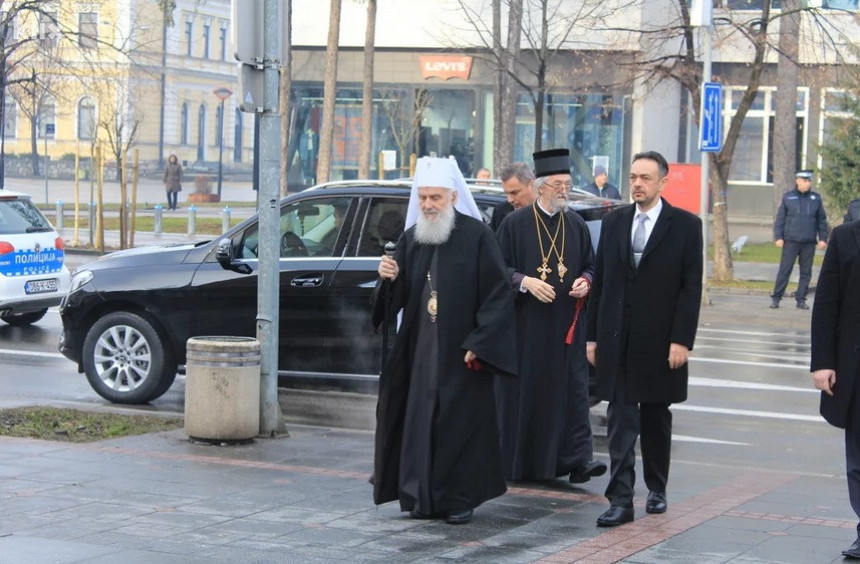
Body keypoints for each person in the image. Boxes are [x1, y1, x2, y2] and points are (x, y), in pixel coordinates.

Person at [372, 156, 518, 525]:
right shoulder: (413, 237)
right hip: (420, 348)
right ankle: (419, 496)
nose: (427, 205)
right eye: (422, 198)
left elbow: (498, 293)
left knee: (458, 425)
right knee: (419, 421)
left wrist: (481, 340)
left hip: (460, 350)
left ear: (453, 197)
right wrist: (387, 278)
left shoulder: (477, 235)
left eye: (435, 198)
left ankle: (457, 499)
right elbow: (396, 298)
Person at [585, 150, 703, 527]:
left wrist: (681, 340)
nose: (637, 183)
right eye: (633, 176)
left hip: (660, 342)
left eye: (645, 178)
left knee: (655, 418)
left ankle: (656, 487)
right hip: (616, 338)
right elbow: (600, 282)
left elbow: (690, 288)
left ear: (662, 183)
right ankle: (620, 499)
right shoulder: (615, 221)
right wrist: (592, 338)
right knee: (620, 418)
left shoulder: (685, 225)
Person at [496, 148, 606, 484]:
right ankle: (525, 464)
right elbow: (498, 270)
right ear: (541, 186)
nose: (564, 190)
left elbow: (590, 265)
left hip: (566, 327)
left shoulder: (575, 223)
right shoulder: (513, 224)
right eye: (558, 184)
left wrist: (585, 282)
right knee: (530, 393)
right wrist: (525, 282)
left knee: (571, 393)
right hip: (528, 327)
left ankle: (577, 461)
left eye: (568, 184)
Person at [811, 219, 860, 559]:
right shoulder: (846, 237)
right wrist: (823, 362)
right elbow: (827, 303)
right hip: (855, 369)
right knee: (858, 460)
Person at [770, 169, 828, 310]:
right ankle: (776, 298)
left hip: (808, 241)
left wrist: (823, 238)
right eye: (805, 180)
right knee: (785, 270)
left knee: (806, 272)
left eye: (809, 181)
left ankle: (801, 299)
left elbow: (821, 220)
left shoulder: (815, 199)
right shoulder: (788, 198)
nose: (808, 183)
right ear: (797, 181)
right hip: (791, 240)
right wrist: (778, 237)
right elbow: (780, 219)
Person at [490, 162, 537, 232]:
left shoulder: (550, 210)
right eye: (507, 193)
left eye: (514, 193)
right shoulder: (501, 211)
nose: (510, 200)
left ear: (532, 185)